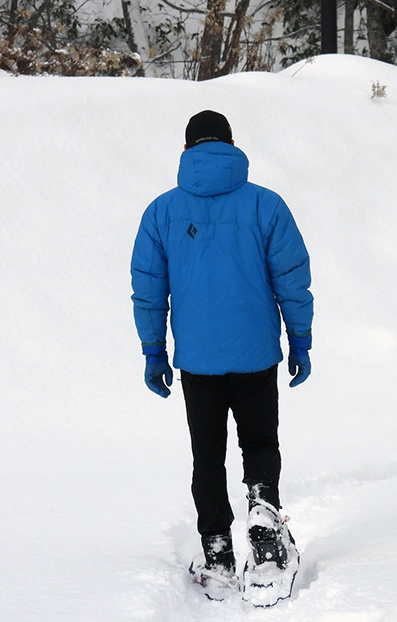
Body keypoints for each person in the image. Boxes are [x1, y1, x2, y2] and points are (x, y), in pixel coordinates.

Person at [130, 110, 313, 592]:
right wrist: (300, 340)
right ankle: (265, 526)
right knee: (259, 444)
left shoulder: (160, 212)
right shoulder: (266, 205)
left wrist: (153, 351)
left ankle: (216, 552)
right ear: (231, 144)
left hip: (198, 362)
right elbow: (291, 281)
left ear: (187, 149)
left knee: (207, 456)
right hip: (256, 356)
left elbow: (149, 292)